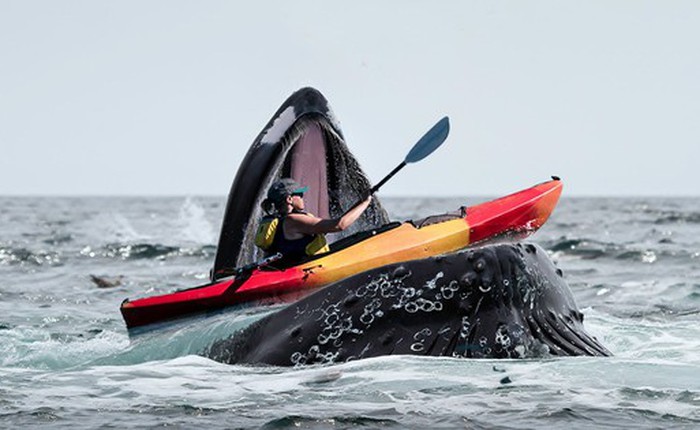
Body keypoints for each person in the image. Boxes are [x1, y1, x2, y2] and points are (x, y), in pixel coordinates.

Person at [255, 178, 372, 266]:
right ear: (289, 199)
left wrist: (359, 202)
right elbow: (339, 225)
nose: (302, 197)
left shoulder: (279, 220)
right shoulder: (294, 220)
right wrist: (365, 202)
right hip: (305, 272)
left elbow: (339, 221)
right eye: (299, 195)